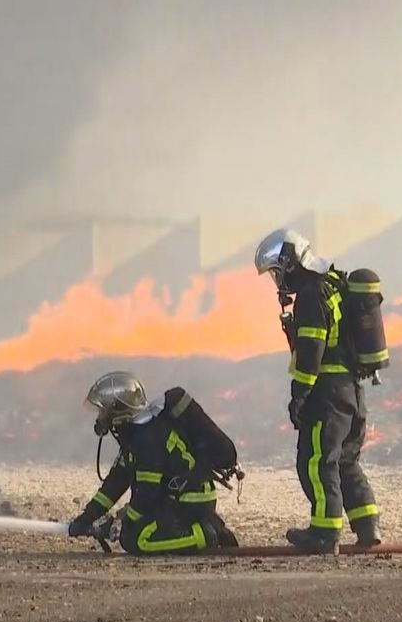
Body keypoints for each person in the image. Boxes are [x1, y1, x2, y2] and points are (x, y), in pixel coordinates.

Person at [254, 228, 382, 554]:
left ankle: (324, 534)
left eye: (276, 272)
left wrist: (299, 395)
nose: (278, 281)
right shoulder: (336, 283)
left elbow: (311, 352)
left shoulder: (312, 294)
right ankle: (368, 527)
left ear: (290, 262)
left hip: (328, 396)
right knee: (346, 462)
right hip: (353, 394)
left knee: (316, 462)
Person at [66, 371, 239, 555]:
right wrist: (86, 518)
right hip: (176, 497)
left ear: (117, 408)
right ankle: (204, 527)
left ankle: (207, 534)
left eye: (103, 410)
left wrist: (121, 523)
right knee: (132, 531)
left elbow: (147, 495)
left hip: (189, 499)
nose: (100, 417)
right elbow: (115, 483)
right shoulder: (135, 436)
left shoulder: (146, 438)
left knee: (136, 539)